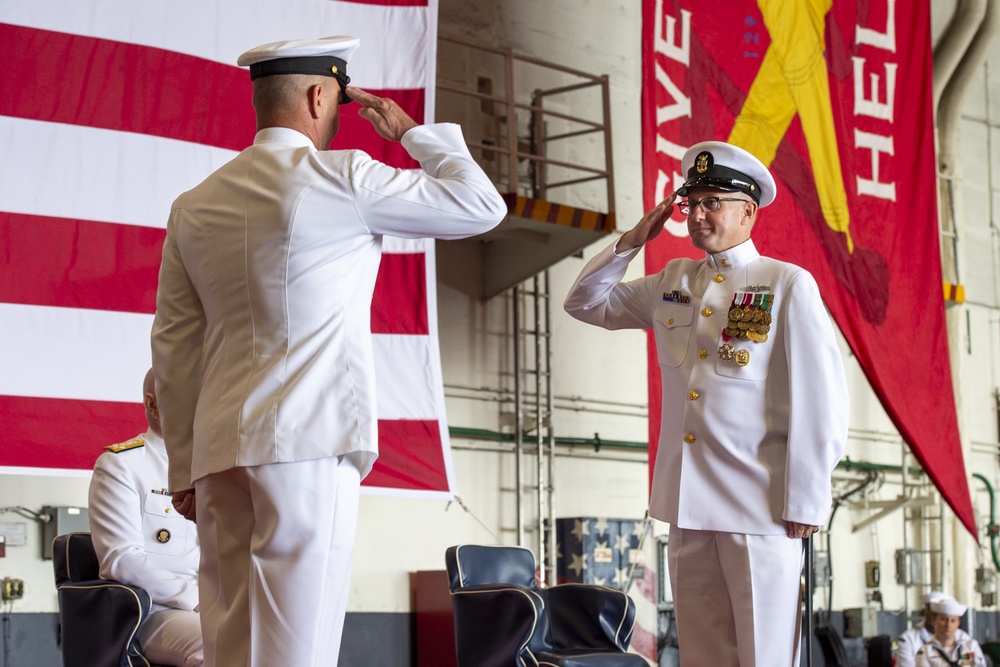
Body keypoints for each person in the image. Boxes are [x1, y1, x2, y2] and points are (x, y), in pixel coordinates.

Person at [150, 35, 506, 667]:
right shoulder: (342, 176)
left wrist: (182, 465)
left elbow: (175, 344)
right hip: (306, 444)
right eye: (339, 99)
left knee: (229, 647)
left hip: (217, 453)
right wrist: (411, 134)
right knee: (299, 648)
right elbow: (480, 206)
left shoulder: (194, 204)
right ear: (320, 96)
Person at [564, 140, 848, 667]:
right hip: (688, 505)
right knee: (702, 654)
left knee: (763, 654)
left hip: (760, 507)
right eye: (690, 203)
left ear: (748, 211)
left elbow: (822, 397)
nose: (697, 214)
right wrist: (631, 241)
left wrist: (806, 499)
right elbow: (584, 303)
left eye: (712, 201)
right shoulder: (673, 281)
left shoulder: (785, 284)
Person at [88, 368, 202, 667]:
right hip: (156, 610)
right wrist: (196, 599)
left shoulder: (221, 469)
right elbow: (121, 557)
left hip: (224, 604)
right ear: (152, 404)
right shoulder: (123, 466)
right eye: (187, 396)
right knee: (217, 643)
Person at [897, 591, 972, 667]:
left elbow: (970, 662)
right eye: (933, 611)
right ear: (925, 611)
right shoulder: (908, 639)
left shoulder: (963, 638)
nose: (947, 624)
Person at [914, 597, 986, 667]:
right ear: (934, 620)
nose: (948, 625)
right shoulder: (925, 652)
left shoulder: (970, 646)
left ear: (958, 623)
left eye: (953, 621)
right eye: (943, 619)